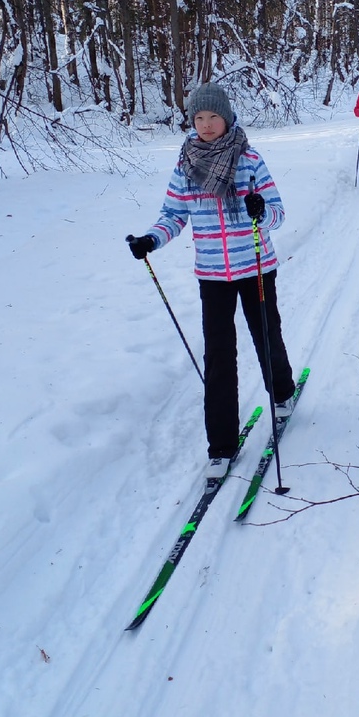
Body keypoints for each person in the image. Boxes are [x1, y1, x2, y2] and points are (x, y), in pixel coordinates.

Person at [126, 81, 296, 482]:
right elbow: (173, 215)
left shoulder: (250, 160)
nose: (205, 125)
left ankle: (283, 392)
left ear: (226, 117)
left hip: (254, 265)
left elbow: (277, 212)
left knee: (265, 334)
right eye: (198, 118)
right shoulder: (185, 166)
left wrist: (260, 212)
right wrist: (151, 239)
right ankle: (221, 444)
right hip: (212, 276)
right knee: (219, 356)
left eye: (212, 117)